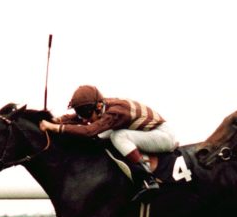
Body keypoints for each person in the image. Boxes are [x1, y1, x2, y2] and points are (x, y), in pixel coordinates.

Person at [40, 85, 177, 202]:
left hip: (163, 136)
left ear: (98, 106)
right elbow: (75, 119)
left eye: (86, 113)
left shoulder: (116, 111)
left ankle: (147, 179)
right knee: (103, 137)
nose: (83, 117)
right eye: (79, 112)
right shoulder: (101, 106)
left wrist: (56, 128)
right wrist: (55, 120)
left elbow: (89, 131)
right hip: (147, 133)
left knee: (118, 136)